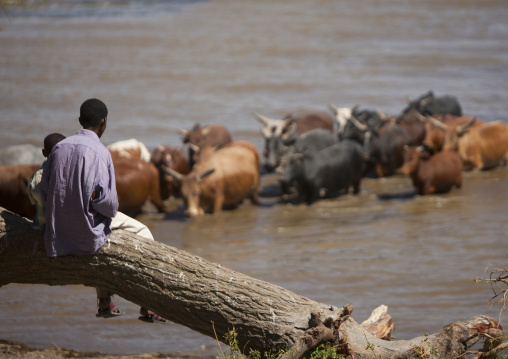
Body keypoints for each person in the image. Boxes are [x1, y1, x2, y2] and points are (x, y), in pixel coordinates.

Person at [40, 98, 165, 323]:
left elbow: (45, 190)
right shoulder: (101, 152)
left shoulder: (59, 147)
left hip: (57, 233)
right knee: (143, 230)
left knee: (96, 231)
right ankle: (148, 304)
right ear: (104, 123)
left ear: (80, 120)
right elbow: (107, 203)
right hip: (86, 236)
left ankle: (105, 302)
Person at [28, 133, 66, 229]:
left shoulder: (37, 176)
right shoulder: (70, 174)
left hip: (42, 226)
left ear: (44, 153)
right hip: (64, 227)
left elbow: (32, 200)